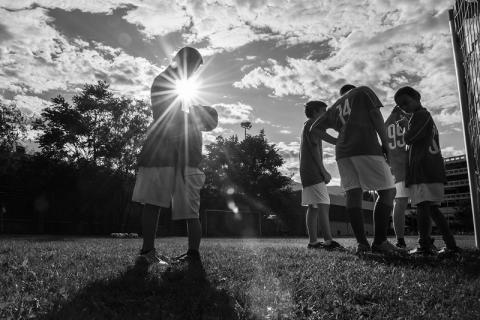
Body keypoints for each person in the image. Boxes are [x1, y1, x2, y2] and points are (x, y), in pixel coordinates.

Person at [132, 47, 218, 265]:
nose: (193, 74)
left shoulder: (174, 84)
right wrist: (194, 117)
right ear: (185, 62)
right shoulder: (165, 81)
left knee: (156, 204)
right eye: (194, 68)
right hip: (159, 152)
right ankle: (148, 252)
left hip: (169, 155)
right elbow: (166, 116)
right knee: (153, 203)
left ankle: (151, 252)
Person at [311, 84, 399, 255]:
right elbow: (375, 114)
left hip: (343, 153)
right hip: (365, 146)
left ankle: (362, 244)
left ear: (341, 94)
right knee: (388, 191)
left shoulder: (335, 106)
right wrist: (386, 145)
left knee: (353, 194)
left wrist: (338, 141)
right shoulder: (362, 91)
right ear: (352, 89)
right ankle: (380, 242)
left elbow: (315, 128)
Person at [394, 86, 460, 257]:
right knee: (432, 209)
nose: (404, 107)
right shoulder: (421, 117)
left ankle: (424, 245)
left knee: (422, 206)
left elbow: (410, 138)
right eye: (401, 106)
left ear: (417, 97)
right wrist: (408, 123)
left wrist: (404, 128)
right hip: (428, 170)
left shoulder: (421, 115)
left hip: (424, 170)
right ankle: (450, 245)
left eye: (405, 103)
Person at [300, 101, 344, 250]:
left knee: (313, 207)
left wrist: (338, 141)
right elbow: (314, 151)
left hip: (307, 172)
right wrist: (323, 171)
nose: (326, 115)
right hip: (313, 172)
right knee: (324, 204)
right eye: (324, 112)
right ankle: (329, 242)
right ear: (315, 112)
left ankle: (313, 242)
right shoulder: (312, 124)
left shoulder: (307, 125)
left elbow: (323, 139)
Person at [384, 106, 410, 249]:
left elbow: (383, 148)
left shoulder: (386, 123)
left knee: (399, 204)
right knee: (423, 204)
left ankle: (400, 240)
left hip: (395, 168)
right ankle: (425, 238)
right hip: (409, 166)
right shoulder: (409, 117)